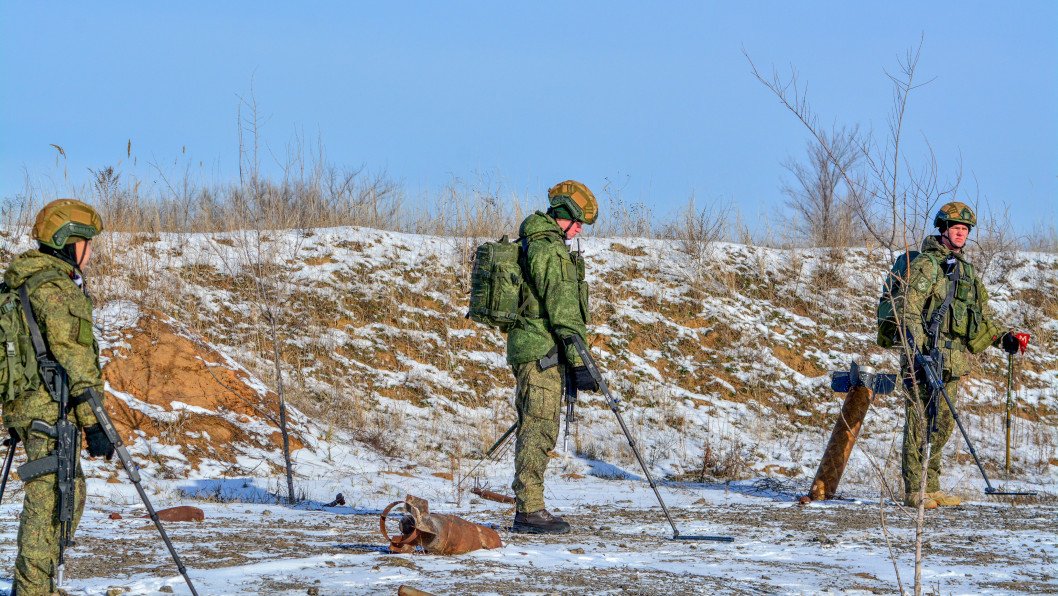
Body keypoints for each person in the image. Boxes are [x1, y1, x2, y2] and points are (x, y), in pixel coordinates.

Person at [3, 199, 113, 594]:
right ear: (69, 242)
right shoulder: (56, 288)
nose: (91, 251)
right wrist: (96, 424)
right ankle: (33, 590)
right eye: (87, 242)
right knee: (51, 501)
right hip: (47, 407)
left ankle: (38, 584)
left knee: (61, 494)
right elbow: (77, 359)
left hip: (26, 404)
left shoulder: (22, 279)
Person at [895, 201, 1029, 509]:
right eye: (955, 228)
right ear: (942, 229)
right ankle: (914, 491)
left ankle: (932, 486)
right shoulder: (929, 264)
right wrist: (917, 350)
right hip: (924, 357)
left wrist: (1003, 338)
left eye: (965, 229)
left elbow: (977, 319)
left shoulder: (966, 272)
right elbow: (909, 308)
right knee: (919, 421)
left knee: (942, 423)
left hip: (953, 360)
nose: (960, 233)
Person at [506, 180, 599, 534]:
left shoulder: (541, 242)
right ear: (562, 216)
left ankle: (529, 506)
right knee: (538, 427)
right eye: (577, 222)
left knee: (537, 424)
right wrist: (580, 360)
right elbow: (563, 309)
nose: (579, 230)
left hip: (536, 348)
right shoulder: (548, 248)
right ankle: (529, 510)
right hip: (539, 350)